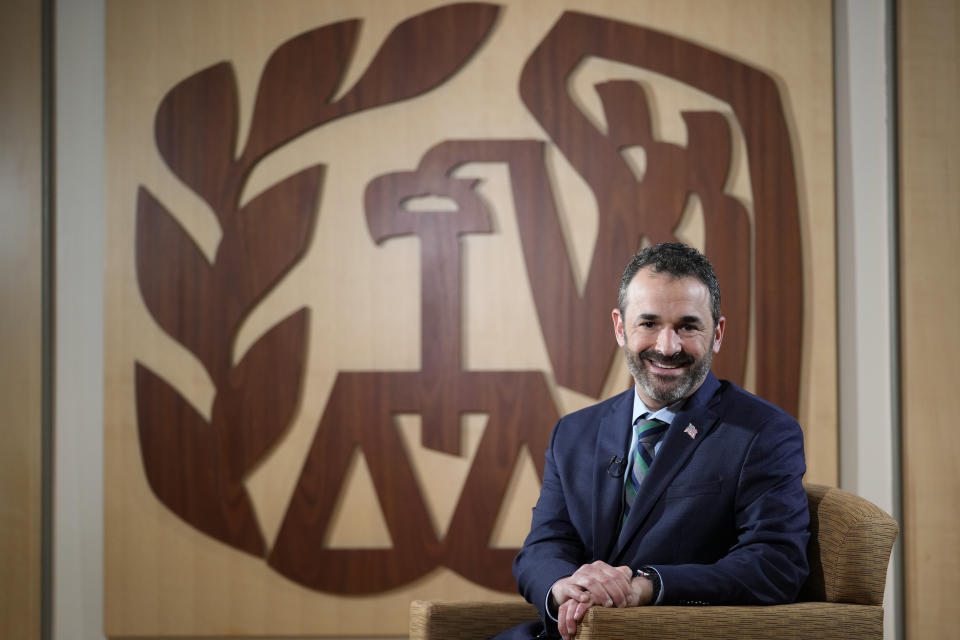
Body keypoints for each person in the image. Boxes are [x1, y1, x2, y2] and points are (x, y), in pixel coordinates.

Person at [497, 242, 810, 640]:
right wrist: (566, 587)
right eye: (649, 323)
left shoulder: (764, 433)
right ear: (619, 328)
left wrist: (647, 586)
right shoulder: (573, 433)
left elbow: (776, 564)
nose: (667, 347)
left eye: (687, 326)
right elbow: (544, 546)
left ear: (717, 333)